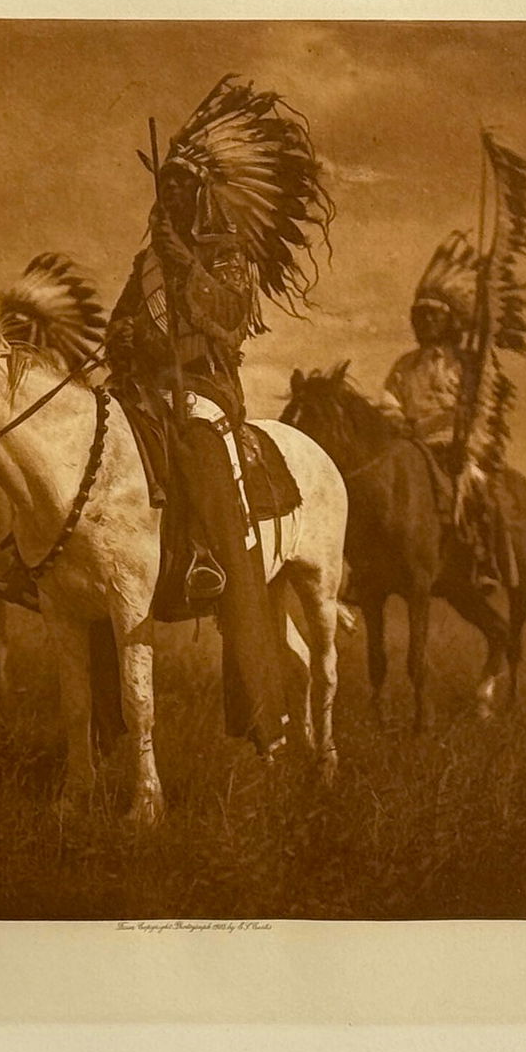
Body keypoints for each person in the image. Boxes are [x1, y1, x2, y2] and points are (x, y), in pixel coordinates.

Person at [106, 76, 332, 759]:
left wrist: (188, 270)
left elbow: (230, 322)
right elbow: (121, 324)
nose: (168, 199)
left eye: (180, 189)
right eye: (164, 189)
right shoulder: (148, 260)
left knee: (204, 456)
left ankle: (213, 567)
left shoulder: (226, 255)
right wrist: (120, 349)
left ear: (200, 195)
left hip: (203, 395)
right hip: (141, 392)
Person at [382, 231, 503, 594]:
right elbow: (389, 400)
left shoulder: (469, 366)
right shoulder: (405, 365)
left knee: (476, 490)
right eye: (418, 316)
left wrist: (465, 438)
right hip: (411, 447)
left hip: (456, 448)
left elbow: (483, 408)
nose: (422, 323)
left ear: (448, 322)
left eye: (431, 317)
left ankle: (483, 561)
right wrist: (400, 422)